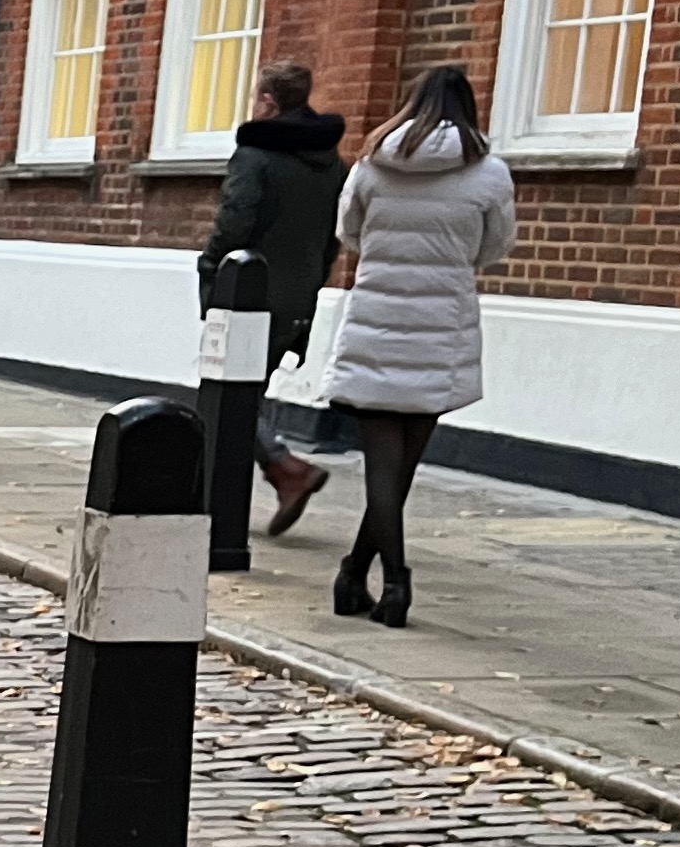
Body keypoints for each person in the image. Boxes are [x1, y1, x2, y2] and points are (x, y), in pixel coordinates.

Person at [322, 65, 517, 628]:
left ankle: (362, 574)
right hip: (442, 324)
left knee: (382, 464)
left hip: (377, 316)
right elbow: (496, 245)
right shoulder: (488, 173)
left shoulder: (371, 165)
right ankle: (391, 581)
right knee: (403, 464)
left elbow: (349, 233)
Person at [196, 62, 346, 539]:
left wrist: (212, 267)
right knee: (248, 393)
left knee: (228, 399)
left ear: (267, 101)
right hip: (298, 292)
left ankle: (285, 470)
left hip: (248, 289)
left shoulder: (255, 153)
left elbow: (235, 219)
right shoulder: (331, 163)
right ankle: (272, 478)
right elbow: (332, 237)